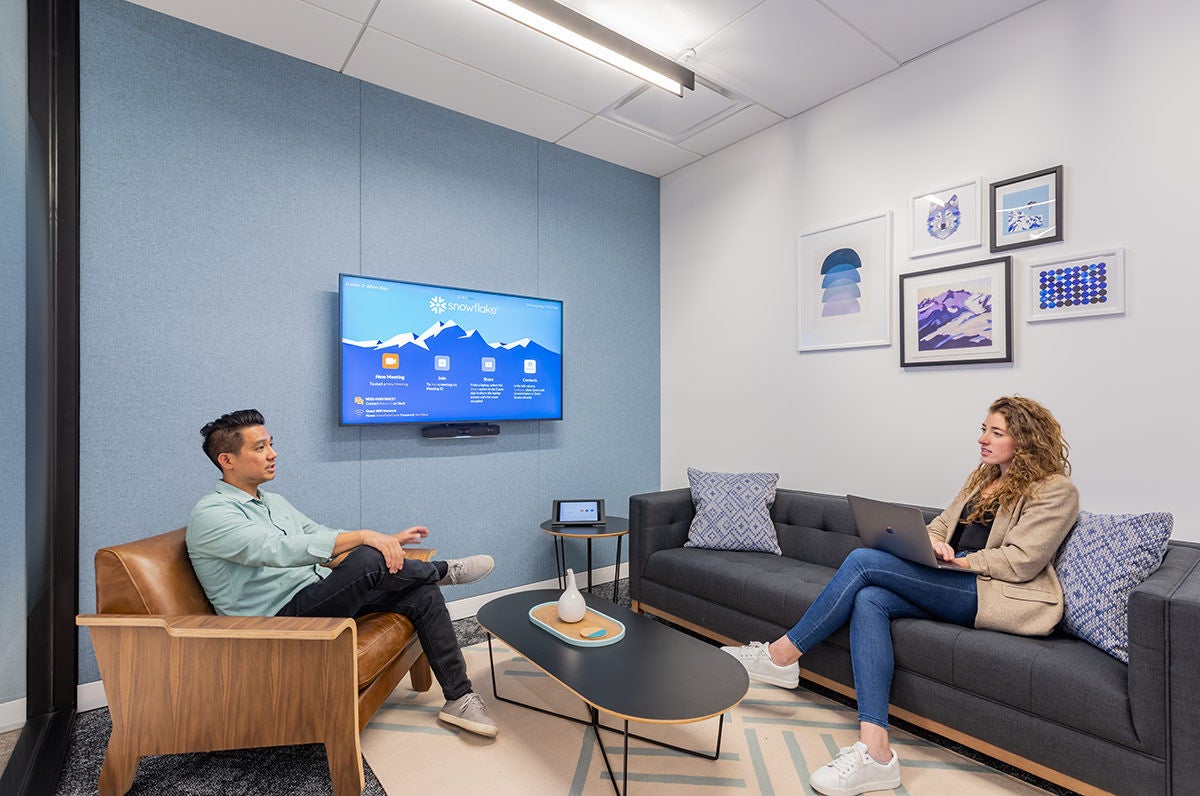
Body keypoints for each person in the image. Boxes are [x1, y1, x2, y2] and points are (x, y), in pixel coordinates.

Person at [721, 396, 1079, 796]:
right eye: (983, 429)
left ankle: (781, 656)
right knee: (869, 598)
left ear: (1027, 439)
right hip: (952, 577)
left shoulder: (1056, 491)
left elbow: (1021, 562)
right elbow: (941, 525)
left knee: (862, 560)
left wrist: (959, 562)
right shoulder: (983, 477)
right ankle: (876, 753)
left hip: (997, 593)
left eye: (996, 433)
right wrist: (931, 546)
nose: (983, 439)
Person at [186, 409, 500, 738]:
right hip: (273, 623)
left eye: (271, 444)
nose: (273, 453)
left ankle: (459, 697)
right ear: (227, 459)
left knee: (421, 594)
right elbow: (276, 549)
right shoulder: (212, 514)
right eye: (260, 447)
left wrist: (387, 541)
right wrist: (367, 540)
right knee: (367, 556)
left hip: (314, 595)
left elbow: (322, 537)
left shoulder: (273, 501)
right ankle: (441, 570)